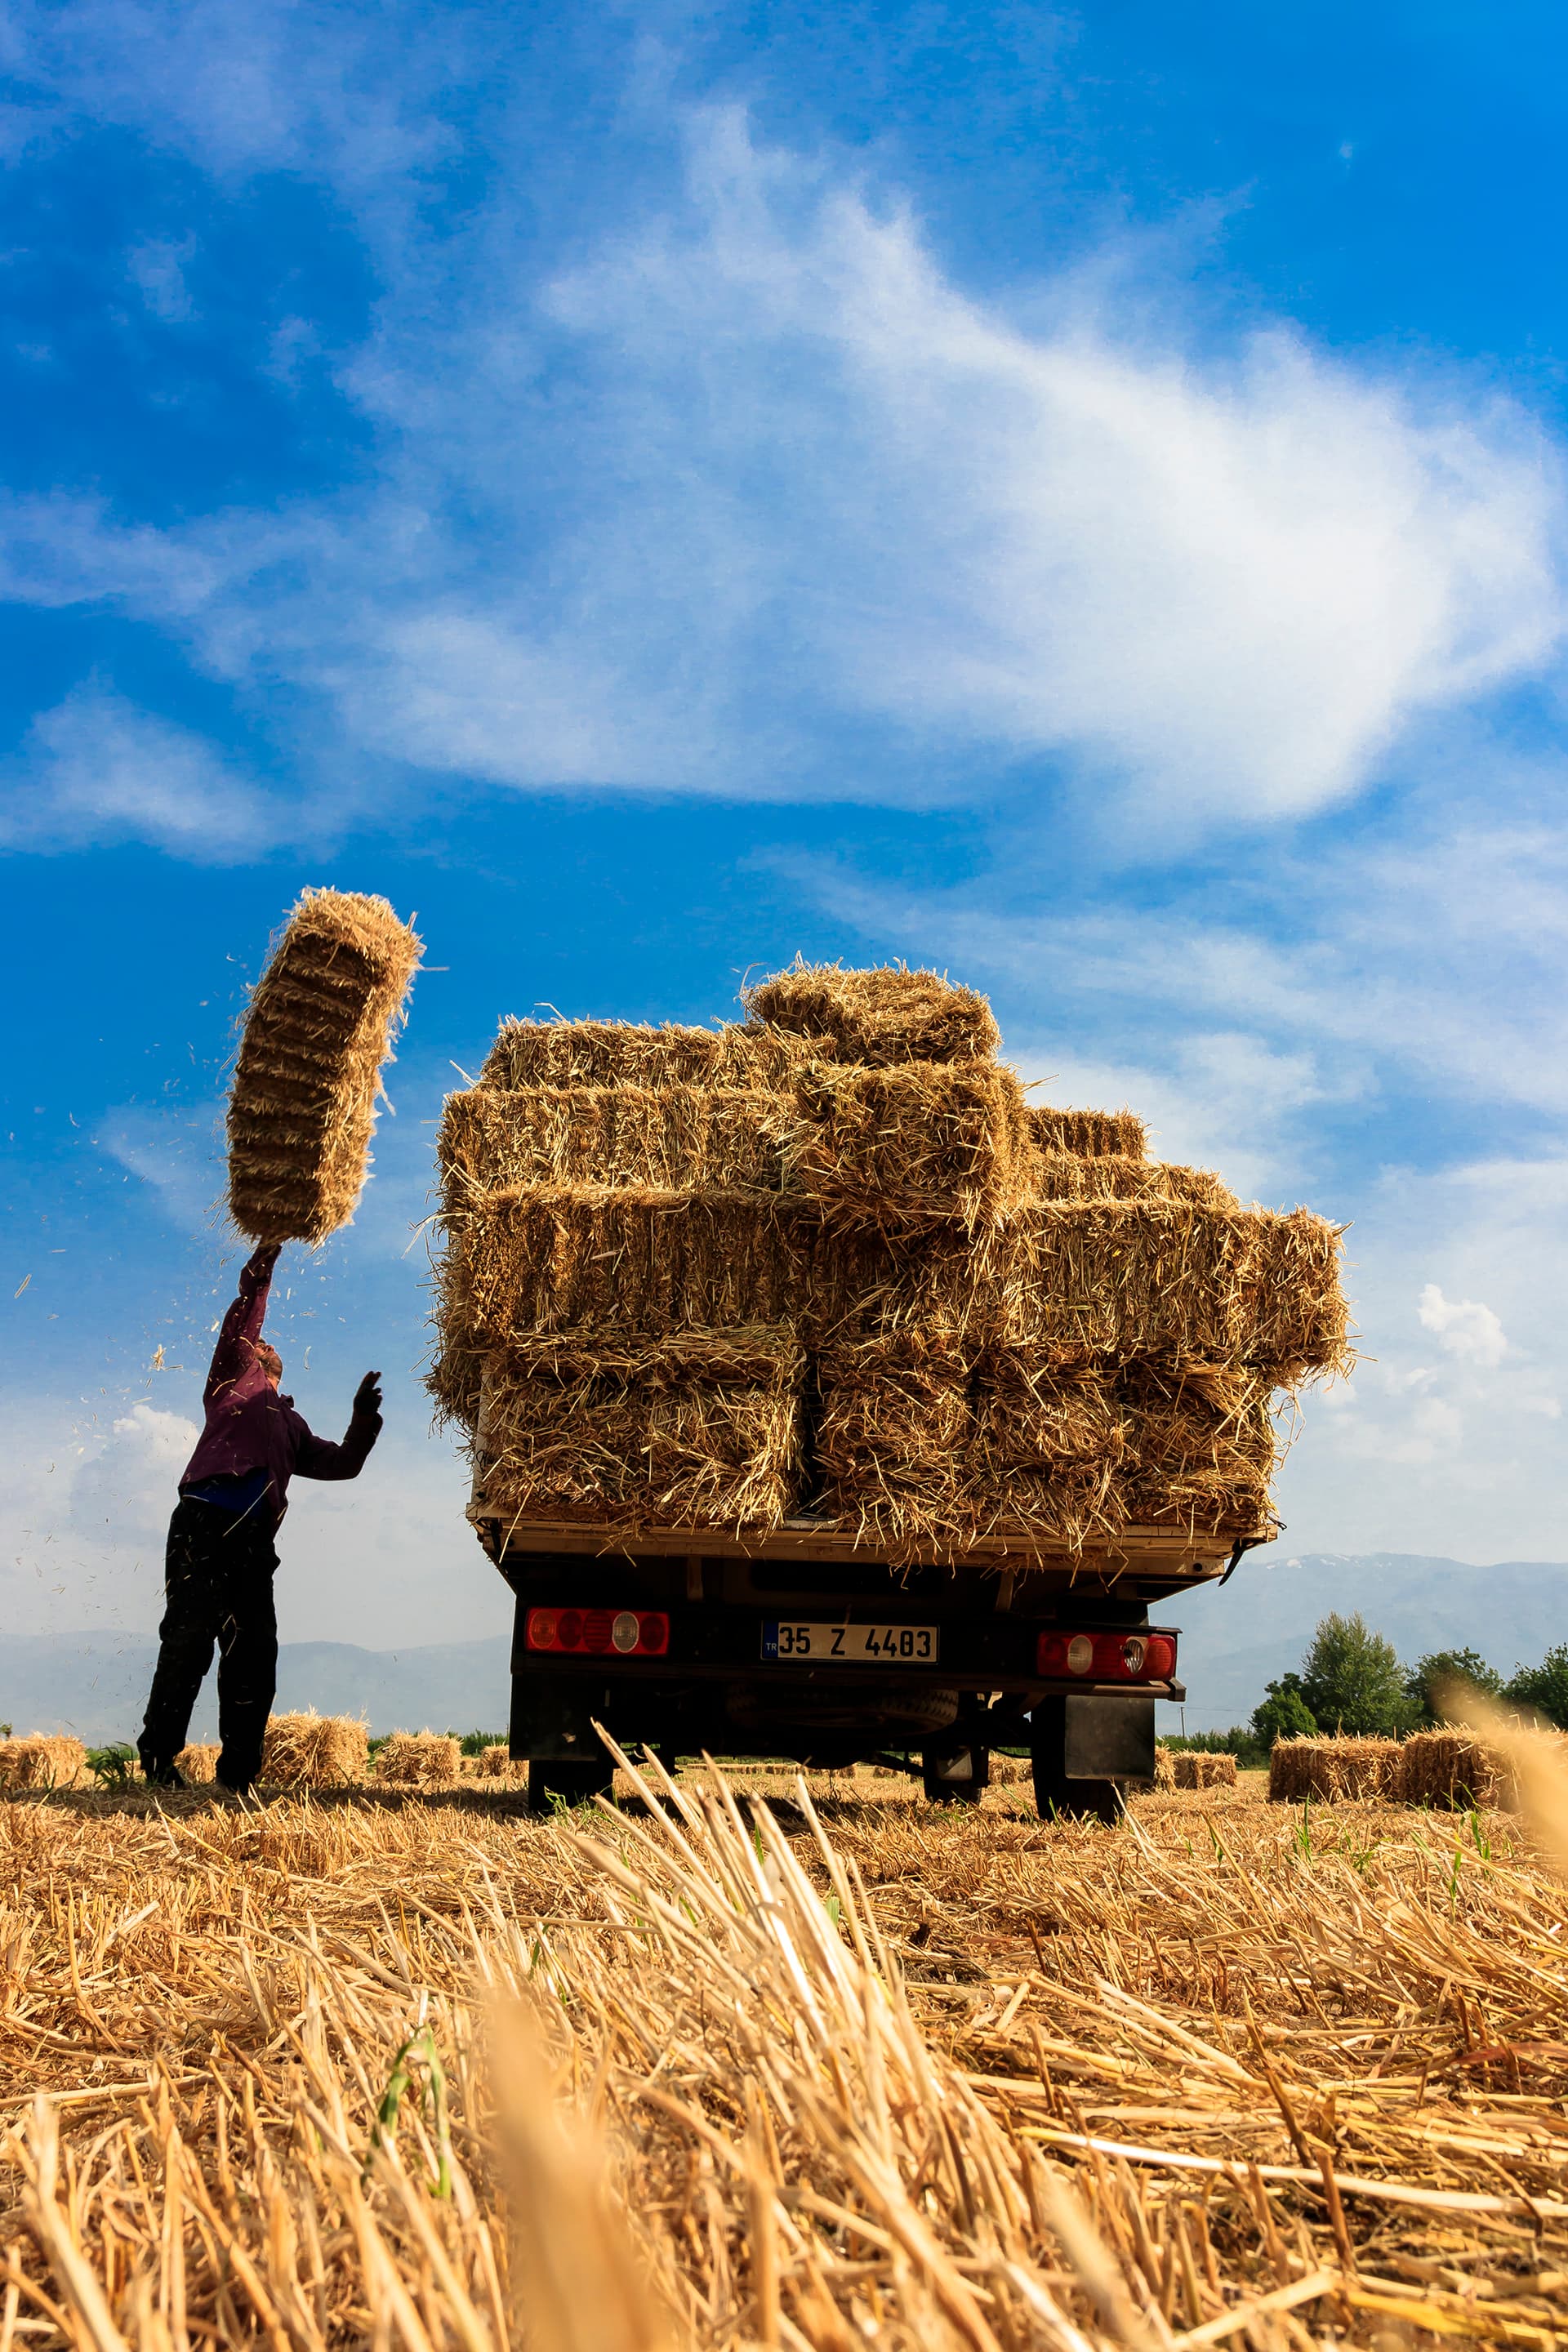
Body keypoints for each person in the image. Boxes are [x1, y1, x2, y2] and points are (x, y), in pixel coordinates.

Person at [138, 1242, 383, 1795]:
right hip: (202, 1523)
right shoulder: (230, 1384)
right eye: (257, 1344)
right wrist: (266, 1261)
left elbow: (343, 1465)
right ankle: (158, 1761)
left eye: (264, 1347)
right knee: (187, 1643)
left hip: (252, 1540)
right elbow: (244, 1319)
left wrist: (362, 1421)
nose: (260, 1344)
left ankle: (238, 1777)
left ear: (275, 1368)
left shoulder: (292, 1426)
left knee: (255, 1655)